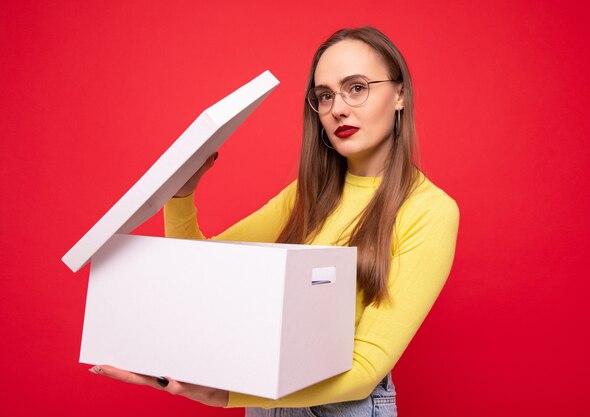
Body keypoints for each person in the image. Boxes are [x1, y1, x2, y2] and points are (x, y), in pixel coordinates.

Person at [89, 26, 459, 416]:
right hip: (269, 400)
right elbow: (202, 270)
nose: (338, 109)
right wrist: (180, 196)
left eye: (357, 87)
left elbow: (366, 369)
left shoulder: (429, 211)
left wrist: (227, 395)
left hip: (340, 406)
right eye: (325, 95)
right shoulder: (307, 194)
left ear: (400, 94)